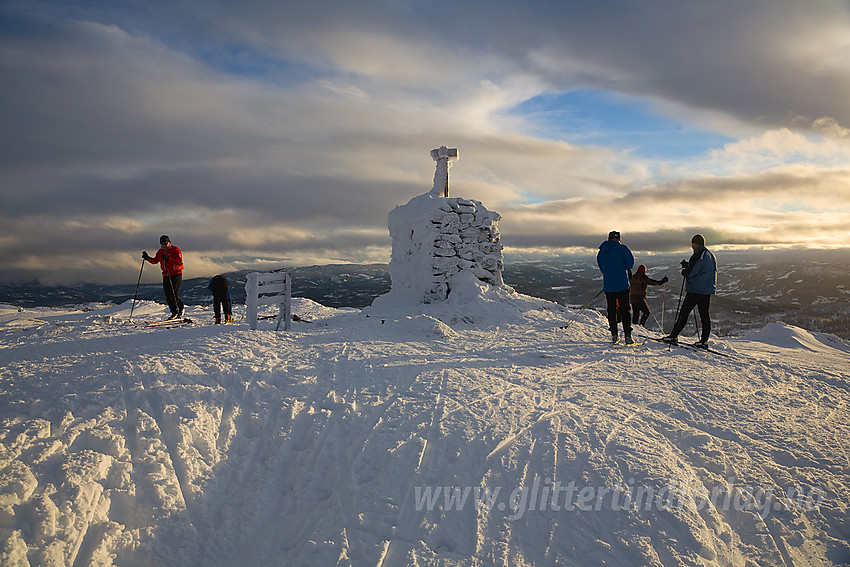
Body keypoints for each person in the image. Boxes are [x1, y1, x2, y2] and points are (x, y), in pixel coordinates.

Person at [662, 234, 717, 346]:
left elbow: (692, 272)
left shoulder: (698, 254)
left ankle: (673, 336)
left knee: (684, 312)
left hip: (696, 289)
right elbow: (701, 268)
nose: (692, 246)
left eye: (692, 243)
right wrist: (689, 265)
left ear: (695, 243)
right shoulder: (709, 254)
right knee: (704, 315)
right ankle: (704, 341)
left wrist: (685, 271)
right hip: (707, 289)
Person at [596, 230, 635, 344]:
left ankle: (614, 334)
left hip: (608, 285)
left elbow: (602, 267)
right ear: (618, 238)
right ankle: (627, 335)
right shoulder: (622, 248)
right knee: (625, 310)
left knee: (612, 310)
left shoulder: (602, 251)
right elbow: (630, 264)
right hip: (622, 284)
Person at [142, 235, 184, 320]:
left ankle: (180, 308)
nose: (164, 246)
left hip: (176, 274)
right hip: (166, 275)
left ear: (169, 242)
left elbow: (180, 264)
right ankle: (173, 313)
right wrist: (147, 258)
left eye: (165, 244)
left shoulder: (175, 250)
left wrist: (169, 259)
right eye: (162, 244)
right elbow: (155, 261)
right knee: (168, 295)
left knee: (173, 293)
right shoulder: (160, 251)